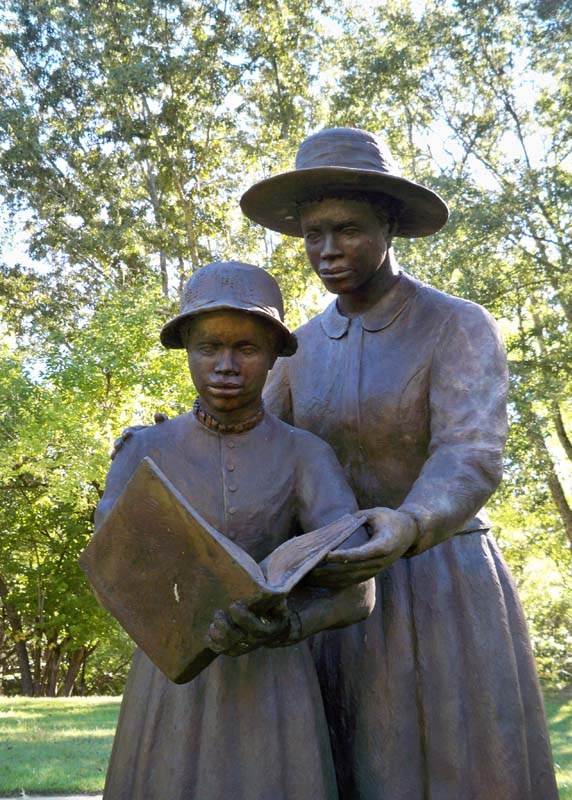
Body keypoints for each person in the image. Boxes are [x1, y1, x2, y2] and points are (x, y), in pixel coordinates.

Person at [239, 128, 559, 800]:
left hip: (439, 584)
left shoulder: (456, 325)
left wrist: (412, 521)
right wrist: (173, 446)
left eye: (347, 229)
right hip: (334, 593)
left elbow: (470, 452)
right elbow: (259, 443)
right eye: (314, 233)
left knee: (447, 769)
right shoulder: (296, 350)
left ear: (389, 224)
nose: (327, 250)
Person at [95, 260, 375, 800]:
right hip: (171, 680)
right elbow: (110, 567)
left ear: (273, 356)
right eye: (208, 348)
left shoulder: (305, 456)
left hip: (274, 683)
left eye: (246, 349)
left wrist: (289, 625)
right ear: (187, 352)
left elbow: (358, 590)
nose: (226, 365)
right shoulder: (143, 450)